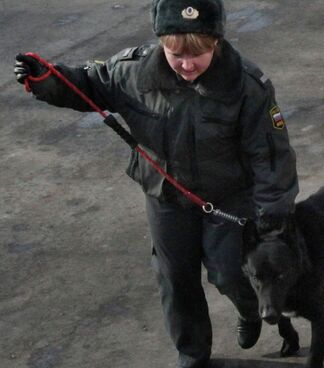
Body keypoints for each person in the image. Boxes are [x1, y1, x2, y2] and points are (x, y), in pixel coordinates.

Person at [14, 0, 299, 367]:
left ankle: (249, 310)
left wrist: (274, 213)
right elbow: (86, 84)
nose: (186, 64)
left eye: (198, 53)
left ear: (217, 41)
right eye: (176, 53)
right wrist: (46, 79)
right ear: (161, 42)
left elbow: (271, 155)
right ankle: (192, 354)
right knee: (175, 280)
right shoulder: (133, 73)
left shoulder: (247, 86)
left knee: (229, 274)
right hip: (166, 197)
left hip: (228, 199)